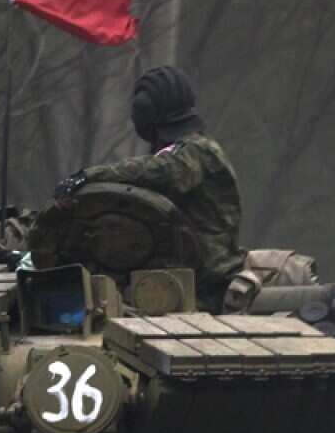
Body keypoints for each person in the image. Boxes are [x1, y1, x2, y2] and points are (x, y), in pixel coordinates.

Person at [52, 66, 245, 310]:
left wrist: (88, 176)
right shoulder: (179, 153)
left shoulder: (199, 152)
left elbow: (161, 171)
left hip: (209, 287)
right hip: (165, 284)